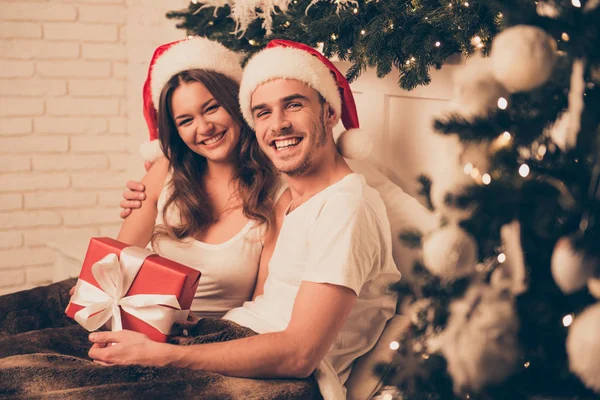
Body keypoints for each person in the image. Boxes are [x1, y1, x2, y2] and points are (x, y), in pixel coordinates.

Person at [88, 40, 401, 400]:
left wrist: (164, 356)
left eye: (294, 105)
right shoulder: (291, 199)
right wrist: (196, 329)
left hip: (286, 382)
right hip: (233, 337)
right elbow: (264, 301)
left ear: (330, 113)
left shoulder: (348, 207)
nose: (278, 125)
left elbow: (300, 354)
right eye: (263, 113)